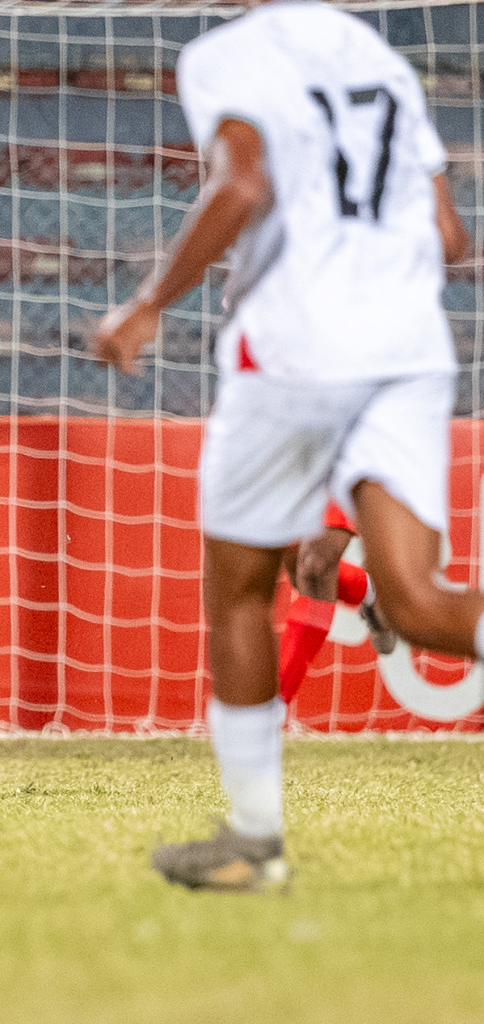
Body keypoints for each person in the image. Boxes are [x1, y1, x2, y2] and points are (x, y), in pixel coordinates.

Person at [90, 0, 475, 891]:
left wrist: (147, 304)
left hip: (298, 349)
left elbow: (245, 184)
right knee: (416, 601)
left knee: (238, 590)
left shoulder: (229, 54)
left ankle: (255, 844)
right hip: (412, 348)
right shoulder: (375, 56)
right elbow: (449, 236)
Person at [278, 501, 395, 704]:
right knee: (300, 568)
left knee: (315, 568)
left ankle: (271, 708)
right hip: (284, 474)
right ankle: (372, 589)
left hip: (337, 473)